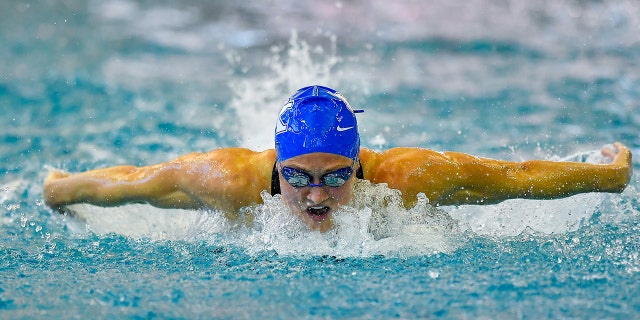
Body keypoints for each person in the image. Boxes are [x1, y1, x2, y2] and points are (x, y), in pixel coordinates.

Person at [43, 85, 633, 232]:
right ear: (277, 166)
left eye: (335, 178)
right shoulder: (230, 179)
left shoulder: (404, 178)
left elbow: (513, 178)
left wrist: (609, 177)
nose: (317, 196)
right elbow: (135, 183)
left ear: (361, 165)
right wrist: (62, 190)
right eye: (298, 177)